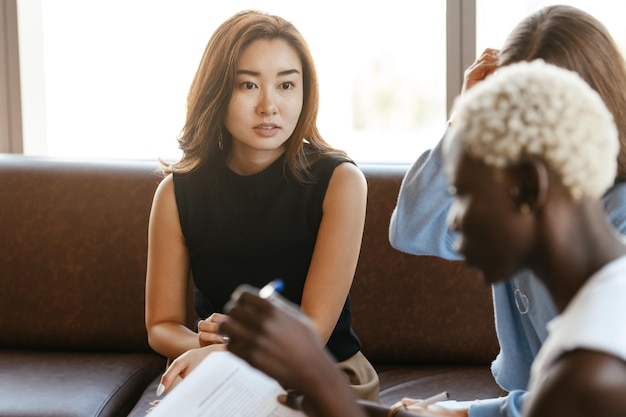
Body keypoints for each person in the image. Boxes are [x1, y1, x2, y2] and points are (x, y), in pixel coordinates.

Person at [220, 60, 626, 417]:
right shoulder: (601, 312)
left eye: (464, 196)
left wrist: (317, 374)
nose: (456, 228)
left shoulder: (592, 374)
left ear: (526, 188)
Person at [388, 5, 626, 416]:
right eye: (507, 102)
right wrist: (467, 117)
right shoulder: (519, 202)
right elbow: (413, 228)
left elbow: (572, 396)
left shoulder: (590, 225)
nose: (456, 217)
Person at [146, 9, 378, 401]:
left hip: (320, 371)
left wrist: (229, 352)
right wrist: (212, 354)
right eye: (248, 86)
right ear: (217, 92)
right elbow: (161, 325)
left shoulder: (341, 182)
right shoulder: (176, 193)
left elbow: (314, 331)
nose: (269, 105)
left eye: (287, 85)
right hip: (219, 370)